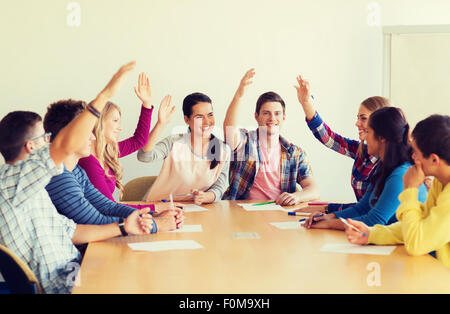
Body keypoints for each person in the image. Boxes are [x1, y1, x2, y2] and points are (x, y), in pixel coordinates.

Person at [0, 62, 154, 293]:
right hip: (64, 284)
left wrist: (124, 227)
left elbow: (71, 231)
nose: (50, 141)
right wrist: (105, 96)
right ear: (31, 147)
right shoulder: (11, 183)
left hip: (75, 268)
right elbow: (63, 143)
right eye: (45, 138)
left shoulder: (33, 188)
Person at [43, 99, 183, 229]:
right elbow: (96, 220)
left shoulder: (79, 170)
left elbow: (108, 206)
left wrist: (151, 215)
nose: (92, 137)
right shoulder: (65, 174)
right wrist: (154, 222)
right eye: (115, 121)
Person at [344, 114, 450, 268]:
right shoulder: (441, 183)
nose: (412, 157)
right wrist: (371, 234)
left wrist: (410, 190)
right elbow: (417, 225)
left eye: (416, 153)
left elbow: (416, 244)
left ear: (434, 160)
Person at [303, 107, 427, 230]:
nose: (365, 137)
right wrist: (328, 217)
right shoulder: (383, 167)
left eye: (368, 132)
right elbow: (362, 208)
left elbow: (374, 221)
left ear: (382, 137)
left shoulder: (401, 174)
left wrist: (329, 224)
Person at [294, 74, 390, 213]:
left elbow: (369, 209)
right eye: (358, 118)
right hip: (361, 223)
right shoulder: (362, 150)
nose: (357, 123)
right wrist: (306, 103)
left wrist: (327, 210)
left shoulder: (391, 162)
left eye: (363, 118)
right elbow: (328, 138)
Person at [222, 69, 319, 205]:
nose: (272, 118)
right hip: (242, 212)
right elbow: (229, 129)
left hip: (278, 211)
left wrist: (298, 196)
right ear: (257, 116)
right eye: (266, 113)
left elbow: (313, 190)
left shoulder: (295, 153)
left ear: (283, 118)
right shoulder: (245, 142)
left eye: (277, 113)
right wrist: (239, 95)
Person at [137, 93, 230, 205]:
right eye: (199, 117)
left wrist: (206, 197)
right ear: (187, 120)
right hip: (158, 207)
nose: (207, 122)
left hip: (194, 210)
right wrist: (161, 124)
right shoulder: (174, 143)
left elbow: (219, 187)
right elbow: (144, 156)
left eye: (210, 115)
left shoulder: (223, 151)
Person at [78, 72, 154, 202]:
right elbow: (110, 207)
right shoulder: (89, 161)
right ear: (99, 122)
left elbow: (139, 140)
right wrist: (154, 209)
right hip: (101, 221)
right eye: (115, 121)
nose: (120, 128)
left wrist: (146, 103)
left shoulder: (108, 151)